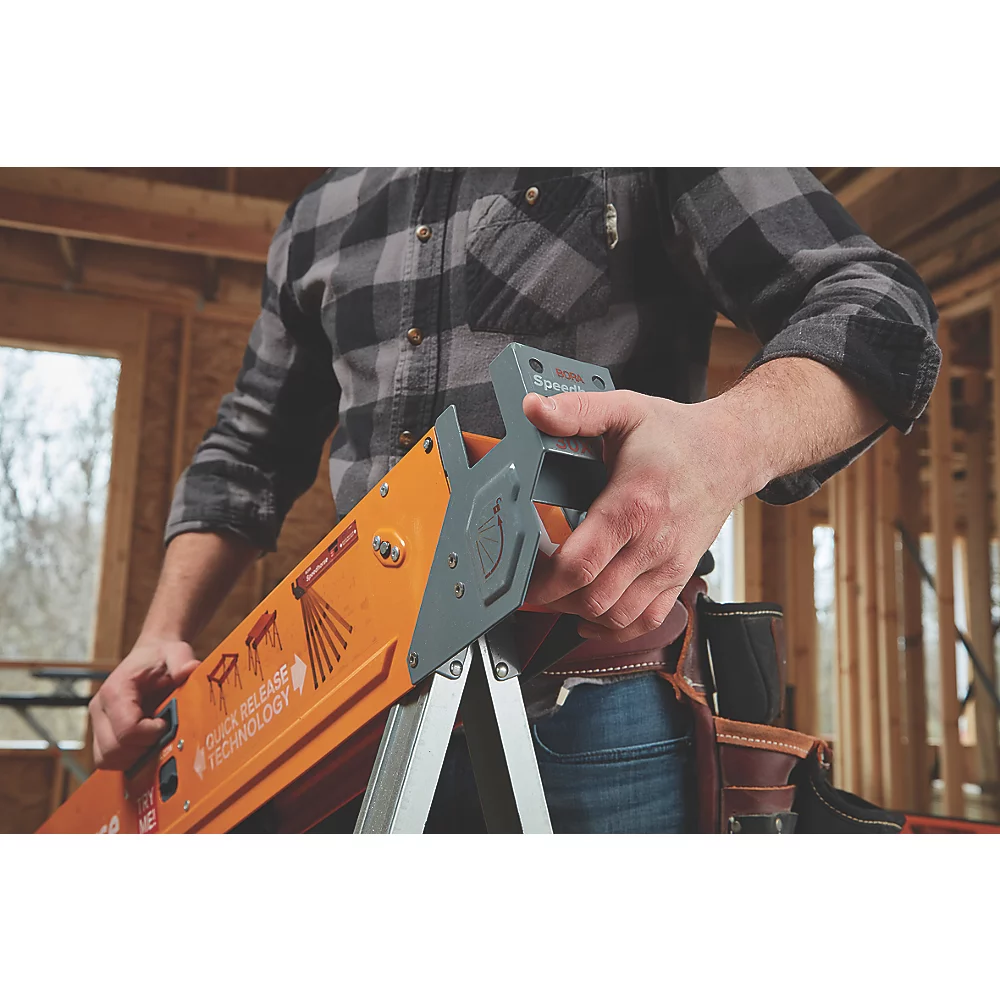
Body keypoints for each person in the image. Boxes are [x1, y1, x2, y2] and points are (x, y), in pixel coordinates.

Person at [88, 169, 939, 833]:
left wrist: (728, 443)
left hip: (597, 706)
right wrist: (161, 633)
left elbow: (881, 309)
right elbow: (247, 449)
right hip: (359, 713)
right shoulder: (316, 216)